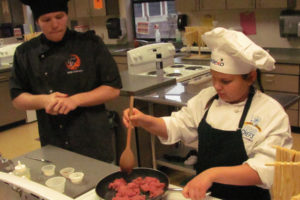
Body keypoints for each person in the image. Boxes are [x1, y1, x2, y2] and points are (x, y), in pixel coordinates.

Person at [123, 27, 292, 200]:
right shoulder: (206, 98)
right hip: (206, 196)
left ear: (250, 77)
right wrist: (145, 121)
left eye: (225, 81)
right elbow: (178, 125)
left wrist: (211, 174)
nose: (217, 87)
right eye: (213, 78)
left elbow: (266, 170)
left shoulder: (271, 113)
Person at [10, 0, 122, 162]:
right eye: (46, 20)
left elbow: (113, 88)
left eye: (59, 17)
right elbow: (17, 99)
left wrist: (74, 100)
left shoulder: (90, 44)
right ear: (37, 22)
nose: (54, 24)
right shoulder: (25, 53)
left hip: (92, 136)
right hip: (53, 138)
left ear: (67, 16)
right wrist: (44, 100)